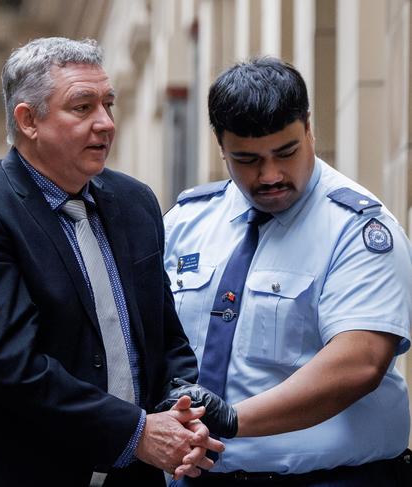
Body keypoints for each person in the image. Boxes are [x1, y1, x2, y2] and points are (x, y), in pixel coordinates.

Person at [0, 37, 225, 487]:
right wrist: (138, 432)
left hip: (130, 476)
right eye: (83, 108)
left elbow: (165, 338)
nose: (105, 123)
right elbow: (12, 368)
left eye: (109, 104)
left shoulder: (136, 203)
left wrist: (181, 410)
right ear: (28, 121)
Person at [164, 57, 412, 485]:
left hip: (332, 478)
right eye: (247, 159)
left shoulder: (356, 228)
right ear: (220, 146)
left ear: (309, 127)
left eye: (286, 152)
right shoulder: (186, 222)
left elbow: (360, 362)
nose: (270, 175)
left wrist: (233, 419)